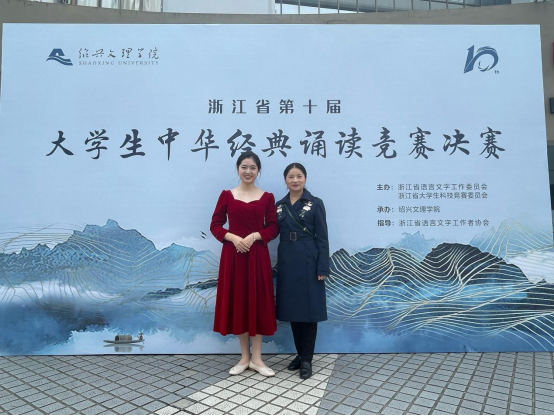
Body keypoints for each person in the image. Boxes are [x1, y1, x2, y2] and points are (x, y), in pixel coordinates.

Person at [210, 151, 279, 377]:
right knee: (239, 301)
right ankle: (244, 357)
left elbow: (273, 228)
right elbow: (215, 225)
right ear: (238, 169)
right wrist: (233, 238)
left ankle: (257, 359)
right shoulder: (226, 195)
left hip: (257, 256)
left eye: (253, 167)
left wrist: (255, 236)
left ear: (258, 171)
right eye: (244, 167)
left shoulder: (267, 197)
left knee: (257, 302)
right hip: (234, 256)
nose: (248, 171)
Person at [275, 163, 329, 379]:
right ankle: (300, 353)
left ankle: (307, 359)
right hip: (287, 260)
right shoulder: (279, 206)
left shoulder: (315, 203)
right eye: (291, 176)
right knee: (293, 310)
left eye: (299, 176)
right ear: (285, 180)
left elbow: (323, 237)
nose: (295, 180)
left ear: (305, 178)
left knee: (309, 311)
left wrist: (322, 266)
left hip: (309, 259)